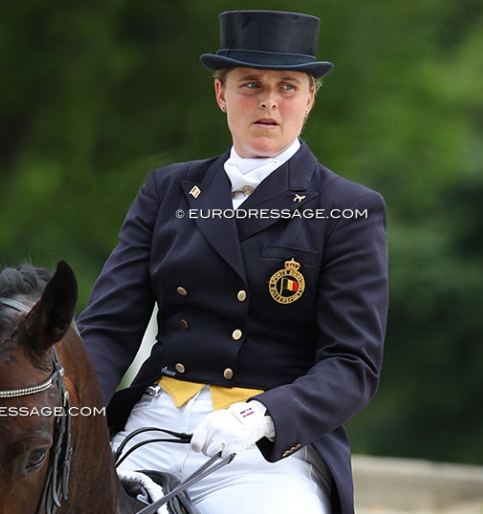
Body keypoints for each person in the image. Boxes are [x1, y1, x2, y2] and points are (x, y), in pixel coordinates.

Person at [77, 10, 387, 514]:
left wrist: (261, 416)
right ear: (221, 94)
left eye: (288, 86)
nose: (269, 100)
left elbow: (352, 365)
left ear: (309, 100)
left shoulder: (349, 208)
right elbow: (109, 327)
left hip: (268, 449)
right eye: (250, 84)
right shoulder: (167, 190)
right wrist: (71, 413)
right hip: (153, 424)